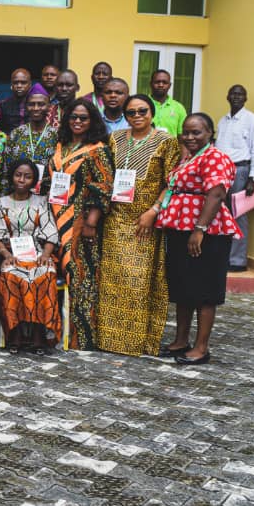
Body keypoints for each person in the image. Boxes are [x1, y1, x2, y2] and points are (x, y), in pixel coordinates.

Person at [97, 93, 180, 356]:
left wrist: (154, 211)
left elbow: (172, 183)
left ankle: (136, 341)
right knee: (112, 281)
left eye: (142, 111)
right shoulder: (115, 138)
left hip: (143, 221)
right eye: (131, 113)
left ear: (152, 113)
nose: (136, 117)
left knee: (138, 281)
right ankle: (108, 340)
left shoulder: (167, 142)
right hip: (115, 219)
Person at [156, 113, 242, 366]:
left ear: (210, 134)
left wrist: (199, 229)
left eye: (197, 132)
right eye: (186, 132)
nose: (190, 137)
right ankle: (181, 340)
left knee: (205, 291)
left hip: (207, 232)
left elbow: (215, 194)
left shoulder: (215, 157)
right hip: (181, 228)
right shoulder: (190, 157)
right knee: (184, 288)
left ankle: (201, 347)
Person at [42, 98, 111, 350]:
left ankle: (79, 339)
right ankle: (53, 332)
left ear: (92, 120)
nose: (78, 122)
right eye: (73, 117)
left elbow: (103, 187)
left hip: (80, 222)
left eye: (83, 118)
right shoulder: (61, 146)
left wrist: (91, 222)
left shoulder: (98, 149)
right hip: (53, 217)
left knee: (80, 278)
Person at [0, 159, 60, 355]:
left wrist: (46, 255)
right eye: (18, 175)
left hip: (37, 253)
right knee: (10, 275)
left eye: (28, 176)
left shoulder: (41, 202)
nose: (22, 179)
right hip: (11, 253)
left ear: (34, 180)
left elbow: (50, 231)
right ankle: (15, 334)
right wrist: (5, 254)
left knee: (45, 274)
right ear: (11, 177)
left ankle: (39, 334)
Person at [215, 85, 254, 273]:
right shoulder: (223, 120)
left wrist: (252, 177)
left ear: (246, 98)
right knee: (221, 213)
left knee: (239, 215)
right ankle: (224, 256)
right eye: (233, 94)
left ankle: (237, 260)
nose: (236, 97)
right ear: (227, 97)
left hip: (241, 171)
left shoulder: (252, 120)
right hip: (222, 172)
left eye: (240, 94)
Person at [2, 84, 57, 194]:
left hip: (44, 198)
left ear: (49, 106)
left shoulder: (56, 135)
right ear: (26, 107)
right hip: (17, 197)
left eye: (41, 104)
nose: (36, 108)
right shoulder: (16, 133)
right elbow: (6, 170)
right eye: (32, 104)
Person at [150, 69, 187, 136]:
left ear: (169, 85)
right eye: (157, 82)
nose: (161, 85)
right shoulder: (143, 104)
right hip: (147, 146)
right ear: (151, 84)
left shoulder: (179, 108)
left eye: (164, 82)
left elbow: (181, 136)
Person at [0, 68, 32, 134]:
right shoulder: (3, 105)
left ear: (30, 84)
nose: (19, 86)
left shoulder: (36, 105)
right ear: (11, 85)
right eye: (15, 83)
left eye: (23, 83)